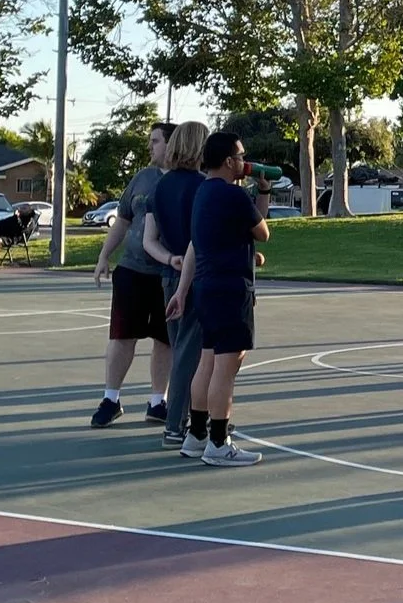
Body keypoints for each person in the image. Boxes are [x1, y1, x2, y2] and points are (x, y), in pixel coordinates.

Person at [167, 130, 271, 467]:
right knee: (227, 367)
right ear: (228, 161)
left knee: (207, 362)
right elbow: (263, 232)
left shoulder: (203, 192)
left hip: (207, 288)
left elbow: (200, 243)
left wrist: (182, 291)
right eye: (240, 156)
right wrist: (263, 191)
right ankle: (218, 442)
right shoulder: (233, 195)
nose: (244, 162)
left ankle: (196, 434)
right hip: (231, 290)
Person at [87, 121, 175, 426]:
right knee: (122, 335)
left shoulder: (189, 180)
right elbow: (123, 220)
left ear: (172, 144)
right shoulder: (142, 177)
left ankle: (157, 402)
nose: (150, 146)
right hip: (132, 270)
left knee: (165, 339)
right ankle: (110, 399)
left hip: (168, 274)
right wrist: (104, 256)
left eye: (155, 141)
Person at [143, 122, 211, 449]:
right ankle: (177, 424)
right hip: (198, 275)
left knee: (180, 347)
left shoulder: (160, 186)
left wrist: (171, 259)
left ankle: (191, 418)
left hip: (169, 275)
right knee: (189, 353)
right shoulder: (204, 187)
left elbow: (149, 240)